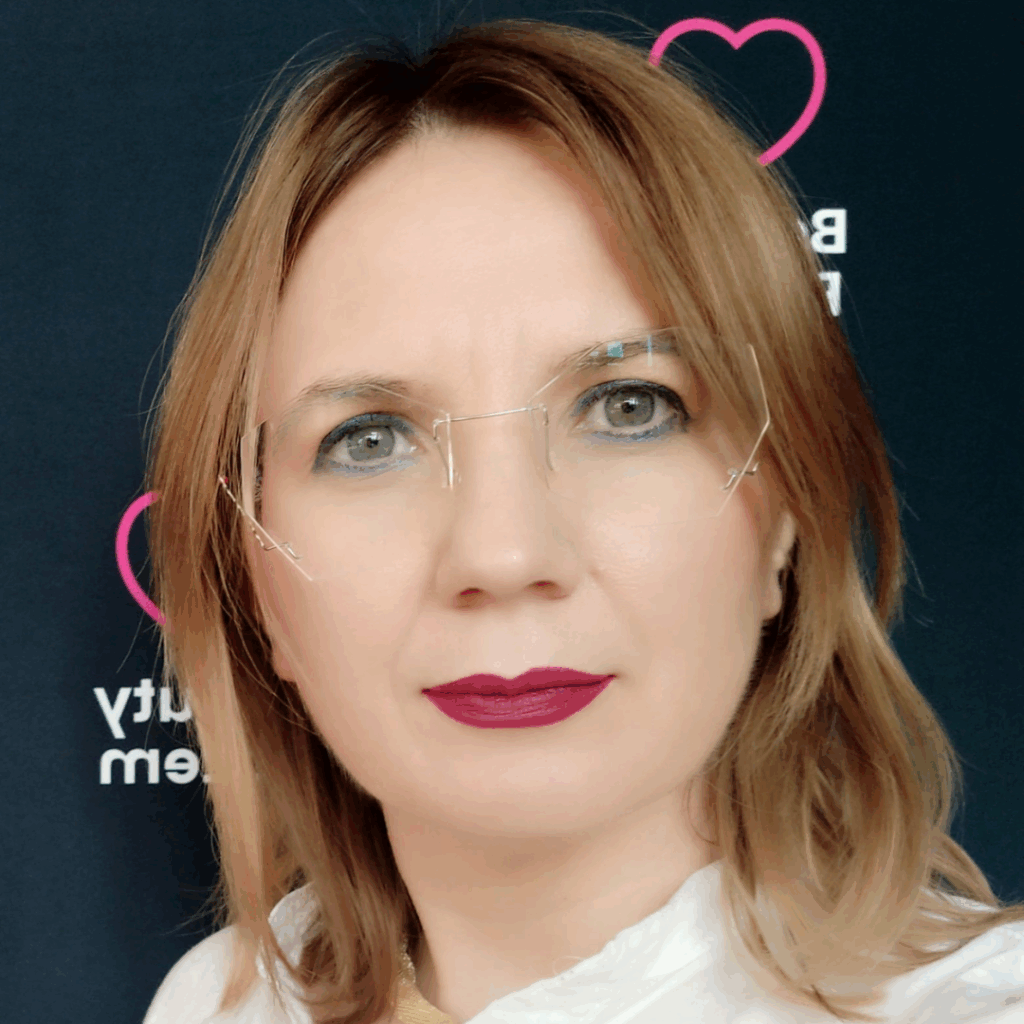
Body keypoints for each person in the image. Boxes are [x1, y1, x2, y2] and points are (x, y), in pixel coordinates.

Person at [139, 16, 1024, 1024]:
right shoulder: (221, 1001)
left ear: (784, 517)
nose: (502, 553)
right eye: (369, 439)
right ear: (255, 580)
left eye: (629, 407)